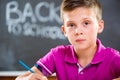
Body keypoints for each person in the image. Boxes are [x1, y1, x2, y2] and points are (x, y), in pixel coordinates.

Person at [15, 0, 120, 80]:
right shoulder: (57, 55)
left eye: (86, 23)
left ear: (100, 26)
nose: (78, 31)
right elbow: (20, 78)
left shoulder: (114, 58)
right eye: (71, 25)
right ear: (64, 30)